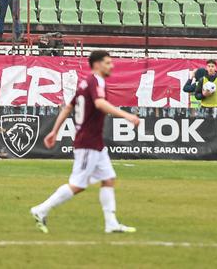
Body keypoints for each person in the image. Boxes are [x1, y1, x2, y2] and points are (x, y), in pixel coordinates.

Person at [29, 50, 139, 235]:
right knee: (78, 184)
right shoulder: (95, 81)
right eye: (107, 62)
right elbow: (100, 104)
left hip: (94, 142)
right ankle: (41, 210)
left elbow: (69, 107)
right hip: (88, 142)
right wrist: (127, 116)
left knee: (108, 179)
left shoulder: (84, 83)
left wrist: (54, 131)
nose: (111, 66)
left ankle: (111, 223)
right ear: (97, 64)